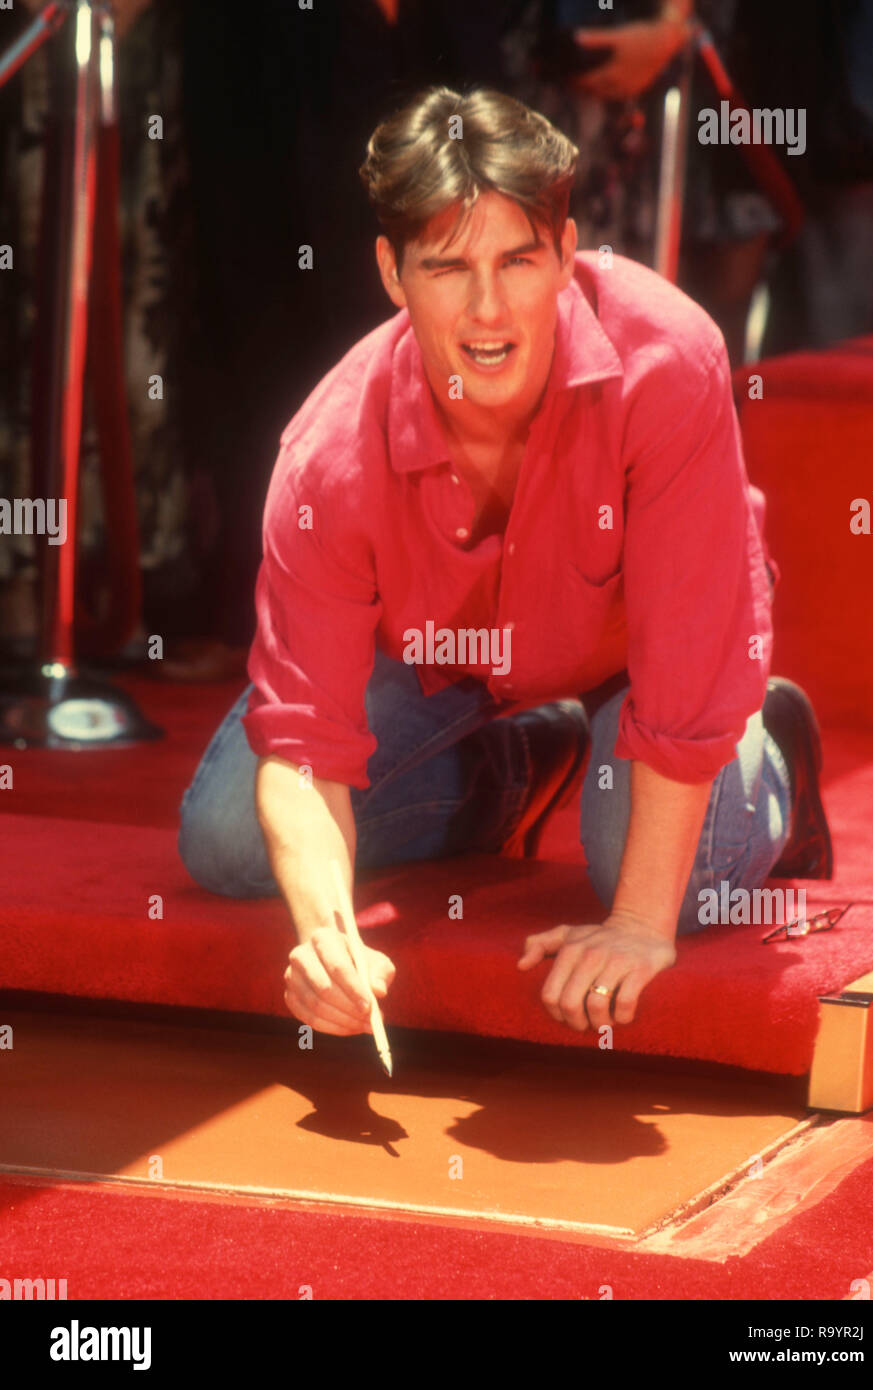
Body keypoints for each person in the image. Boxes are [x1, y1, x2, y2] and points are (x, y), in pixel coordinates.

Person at [178, 87, 831, 1043]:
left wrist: (640, 926)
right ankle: (521, 767)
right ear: (392, 274)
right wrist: (329, 940)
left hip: (649, 659)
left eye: (518, 260)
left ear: (569, 255)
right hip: (443, 660)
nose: (488, 310)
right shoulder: (326, 452)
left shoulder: (670, 357)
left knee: (662, 880)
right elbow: (304, 742)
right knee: (230, 842)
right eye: (446, 267)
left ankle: (770, 746)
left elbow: (687, 665)